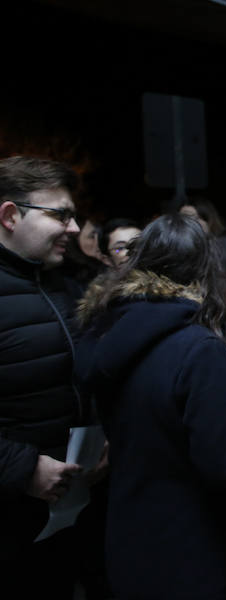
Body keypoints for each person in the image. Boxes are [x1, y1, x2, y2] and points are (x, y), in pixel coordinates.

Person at [75, 213, 226, 600]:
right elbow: (225, 464)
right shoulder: (200, 348)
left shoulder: (105, 330)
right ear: (206, 270)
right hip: (194, 547)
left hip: (128, 535)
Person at [0, 155, 85, 597]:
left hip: (63, 513)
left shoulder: (60, 283)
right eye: (60, 214)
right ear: (11, 215)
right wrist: (22, 467)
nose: (73, 228)